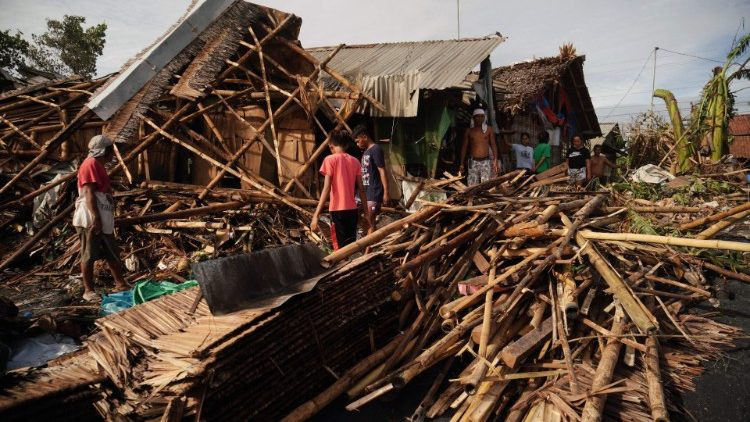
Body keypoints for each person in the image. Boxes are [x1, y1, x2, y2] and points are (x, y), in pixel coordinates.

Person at [72, 135, 128, 301]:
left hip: (102, 217)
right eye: (111, 150)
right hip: (90, 217)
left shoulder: (98, 165)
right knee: (89, 254)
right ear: (104, 151)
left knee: (111, 251)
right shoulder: (90, 164)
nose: (112, 154)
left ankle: (120, 283)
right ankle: (88, 291)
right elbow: (88, 192)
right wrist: (96, 217)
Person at [311, 130, 371, 250]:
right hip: (352, 210)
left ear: (330, 146)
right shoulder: (355, 161)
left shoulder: (329, 160)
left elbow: (326, 188)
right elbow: (362, 189)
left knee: (339, 248)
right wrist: (367, 213)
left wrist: (316, 215)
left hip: (337, 211)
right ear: (346, 145)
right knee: (350, 246)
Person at [353, 125, 388, 230]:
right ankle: (369, 235)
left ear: (365, 137)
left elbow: (382, 170)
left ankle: (370, 240)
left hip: (373, 193)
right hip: (363, 192)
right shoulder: (366, 151)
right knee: (353, 213)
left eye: (358, 141)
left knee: (370, 220)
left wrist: (386, 192)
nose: (357, 144)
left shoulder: (376, 149)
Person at [459, 108, 499, 185]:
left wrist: (495, 159)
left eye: (482, 116)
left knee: (486, 183)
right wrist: (461, 163)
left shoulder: (489, 129)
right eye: (478, 116)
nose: (480, 118)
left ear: (484, 117)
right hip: (473, 161)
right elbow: (464, 147)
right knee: (472, 184)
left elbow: (493, 145)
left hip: (485, 161)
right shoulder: (469, 131)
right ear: (473, 118)